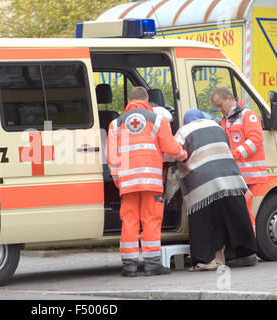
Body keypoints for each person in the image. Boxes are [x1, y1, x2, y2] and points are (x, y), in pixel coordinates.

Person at [105, 86, 188, 277]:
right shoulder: (156, 119)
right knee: (151, 219)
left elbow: (112, 157)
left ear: (129, 102)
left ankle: (129, 267)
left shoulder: (115, 124)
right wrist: (184, 154)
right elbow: (170, 147)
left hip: (128, 182)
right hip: (150, 181)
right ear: (147, 100)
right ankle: (152, 265)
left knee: (129, 221)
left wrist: (119, 181)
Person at [164, 109, 257, 271]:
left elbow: (173, 154)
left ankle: (205, 260)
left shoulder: (184, 130)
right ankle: (244, 254)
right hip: (231, 179)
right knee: (231, 216)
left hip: (203, 183)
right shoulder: (217, 127)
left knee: (204, 221)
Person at [212, 87, 266, 266]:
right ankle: (243, 250)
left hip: (247, 175)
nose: (220, 109)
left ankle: (248, 251)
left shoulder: (247, 115)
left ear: (229, 98)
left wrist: (236, 154)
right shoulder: (225, 121)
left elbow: (256, 139)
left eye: (220, 105)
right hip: (235, 175)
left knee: (245, 212)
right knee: (240, 212)